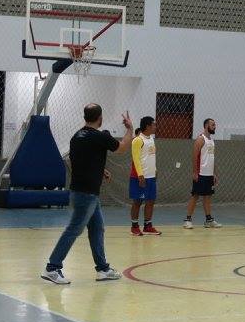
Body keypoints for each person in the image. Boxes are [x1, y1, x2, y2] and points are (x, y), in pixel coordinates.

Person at [40, 104, 132, 285]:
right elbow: (122, 148)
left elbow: (82, 161)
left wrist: (101, 170)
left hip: (81, 191)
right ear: (100, 118)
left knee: (97, 228)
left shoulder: (77, 136)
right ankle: (52, 268)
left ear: (85, 117)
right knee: (74, 229)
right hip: (87, 193)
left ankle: (103, 269)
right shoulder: (100, 136)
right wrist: (129, 129)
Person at [183, 117, 221, 229]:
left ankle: (209, 220)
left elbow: (212, 158)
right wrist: (195, 172)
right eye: (213, 125)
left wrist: (214, 173)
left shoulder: (211, 141)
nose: (215, 127)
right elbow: (194, 156)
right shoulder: (201, 139)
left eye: (215, 125)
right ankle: (187, 220)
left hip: (209, 175)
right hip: (200, 174)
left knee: (208, 196)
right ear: (206, 126)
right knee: (195, 196)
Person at [129, 115, 160, 235]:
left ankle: (148, 226)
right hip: (140, 177)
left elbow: (151, 157)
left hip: (151, 177)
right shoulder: (137, 140)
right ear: (147, 126)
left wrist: (155, 170)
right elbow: (136, 159)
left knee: (150, 201)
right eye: (154, 124)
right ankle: (134, 226)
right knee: (137, 202)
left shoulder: (151, 139)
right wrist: (140, 175)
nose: (156, 126)